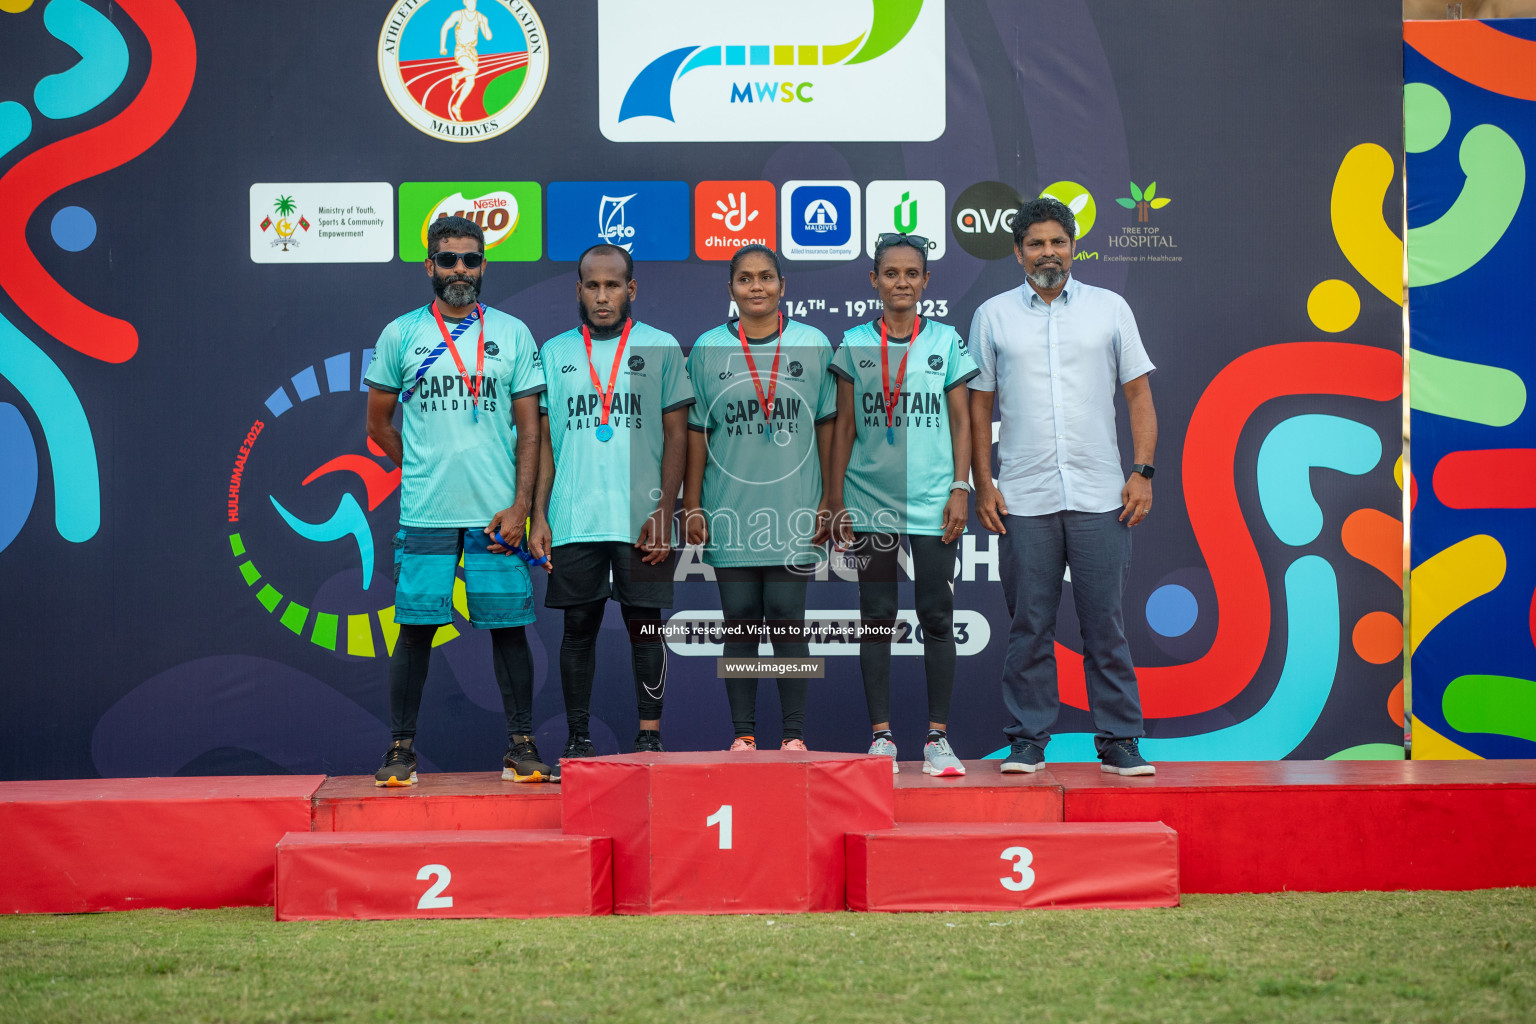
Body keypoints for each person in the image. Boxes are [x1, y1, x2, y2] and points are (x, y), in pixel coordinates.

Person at [968, 197, 1159, 777]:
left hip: (1102, 493)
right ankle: (1027, 739)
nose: (1048, 252)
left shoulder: (1110, 308)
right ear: (1018, 252)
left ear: (1073, 246)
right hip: (1023, 497)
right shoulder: (993, 315)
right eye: (1036, 243)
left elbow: (1139, 397)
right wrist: (983, 482)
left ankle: (1120, 739)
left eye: (1058, 241)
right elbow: (978, 409)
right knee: (1030, 625)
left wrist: (1142, 472)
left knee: (1106, 623)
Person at [364, 215, 552, 787]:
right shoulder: (400, 334)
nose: (460, 271)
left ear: (484, 265)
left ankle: (521, 747)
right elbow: (378, 426)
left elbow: (530, 433)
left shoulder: (514, 334)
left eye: (471, 259)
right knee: (415, 631)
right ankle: (400, 751)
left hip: (498, 514)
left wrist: (521, 507)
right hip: (427, 512)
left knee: (508, 629)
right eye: (448, 260)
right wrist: (422, 465)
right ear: (430, 266)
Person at [530, 244, 692, 776]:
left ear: (632, 290)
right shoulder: (554, 352)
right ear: (578, 290)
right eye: (592, 286)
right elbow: (546, 443)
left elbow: (677, 437)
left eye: (613, 285)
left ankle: (650, 738)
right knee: (578, 628)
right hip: (576, 517)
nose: (603, 296)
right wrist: (540, 514)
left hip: (641, 518)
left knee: (646, 626)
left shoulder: (662, 347)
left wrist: (666, 511)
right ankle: (578, 740)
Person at [827, 233, 978, 776]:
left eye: (911, 274)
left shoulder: (946, 340)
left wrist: (961, 488)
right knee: (876, 618)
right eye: (891, 273)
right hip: (869, 502)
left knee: (937, 616)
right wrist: (835, 496)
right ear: (874, 280)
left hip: (936, 501)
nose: (901, 283)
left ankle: (938, 739)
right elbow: (843, 424)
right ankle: (883, 739)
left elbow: (962, 421)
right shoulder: (851, 343)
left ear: (926, 282)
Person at [682, 245, 836, 752]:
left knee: (790, 620)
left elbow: (831, 426)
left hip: (795, 509)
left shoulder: (813, 343)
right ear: (730, 290)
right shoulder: (706, 348)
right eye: (745, 279)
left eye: (766, 277)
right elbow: (697, 432)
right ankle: (743, 735)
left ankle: (794, 736)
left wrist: (829, 499)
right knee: (741, 622)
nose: (756, 287)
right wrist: (694, 503)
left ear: (782, 285)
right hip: (730, 511)